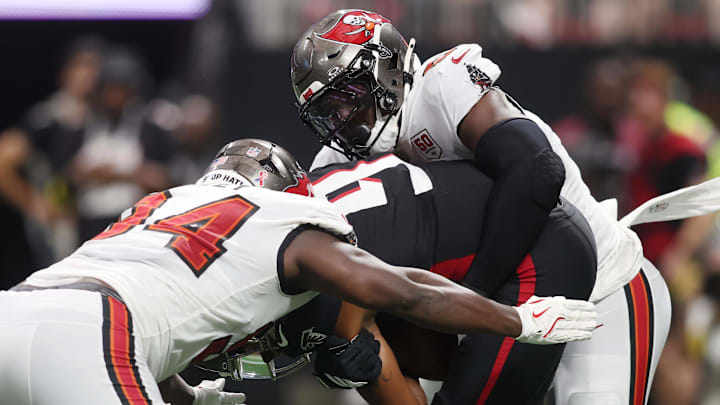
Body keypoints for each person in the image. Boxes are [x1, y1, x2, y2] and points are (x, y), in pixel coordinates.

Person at [0, 139, 597, 405]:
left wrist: (188, 395)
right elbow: (393, 286)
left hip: (22, 304)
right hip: (95, 333)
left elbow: (143, 312)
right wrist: (515, 320)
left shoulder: (157, 204)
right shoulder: (287, 217)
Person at [290, 9, 671, 404]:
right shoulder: (335, 166)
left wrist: (470, 300)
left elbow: (536, 169)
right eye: (326, 112)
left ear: (386, 71)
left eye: (346, 99)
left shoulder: (441, 88)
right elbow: (360, 297)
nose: (341, 119)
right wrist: (343, 356)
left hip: (600, 292)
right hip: (480, 319)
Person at [193, 153, 597, 405]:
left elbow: (413, 295)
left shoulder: (312, 273)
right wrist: (355, 365)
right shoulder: (308, 228)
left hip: (533, 256)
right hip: (484, 264)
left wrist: (520, 322)